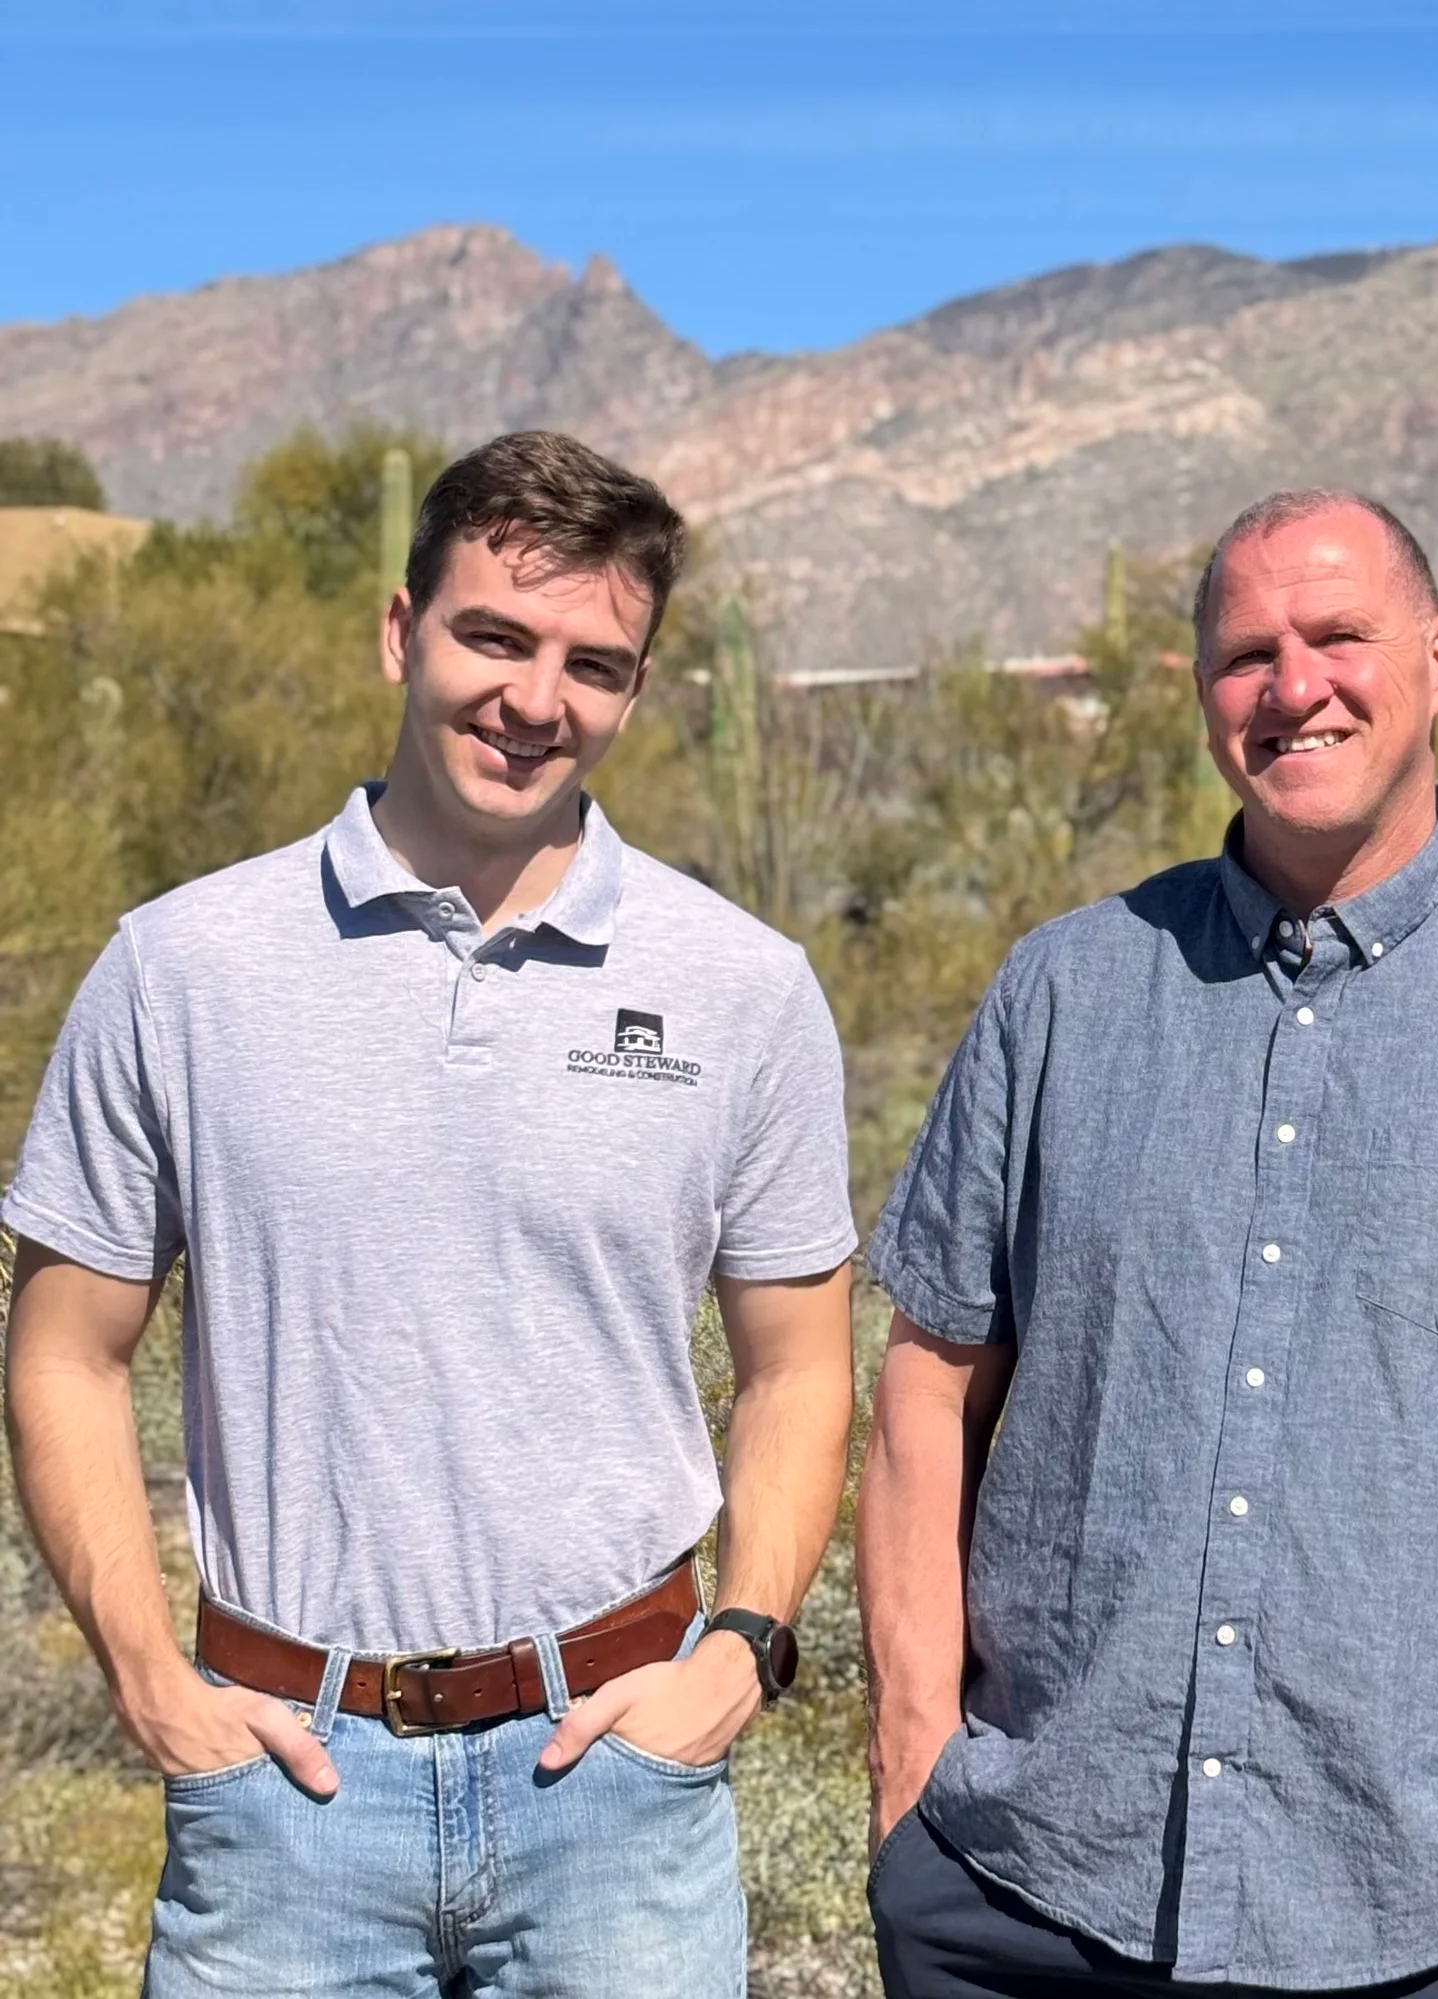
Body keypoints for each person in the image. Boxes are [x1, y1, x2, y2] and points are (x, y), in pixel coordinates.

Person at [856, 488, 1438, 1997]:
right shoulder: (1063, 993)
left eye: (1338, 635)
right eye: (1245, 654)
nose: (1292, 687)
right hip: (1032, 1888)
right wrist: (909, 1781)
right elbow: (928, 1383)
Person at [2, 431, 858, 1998]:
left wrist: (741, 1648)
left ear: (638, 686)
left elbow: (801, 1366)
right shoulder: (182, 968)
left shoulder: (744, 987)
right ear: (403, 631)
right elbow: (64, 1350)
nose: (538, 701)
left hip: (617, 1781)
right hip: (283, 1794)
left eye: (594, 662)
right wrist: (144, 1673)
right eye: (495, 636)